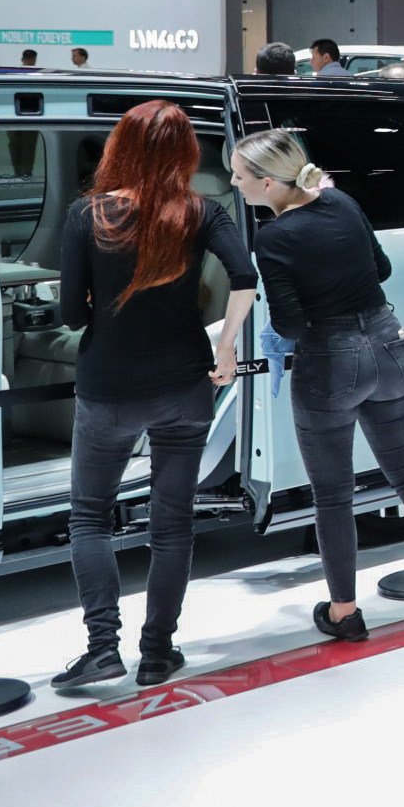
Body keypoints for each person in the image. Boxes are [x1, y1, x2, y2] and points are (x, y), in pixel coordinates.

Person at [230, 129, 404, 639]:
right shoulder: (341, 200)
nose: (234, 183)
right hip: (388, 343)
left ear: (269, 183)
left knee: (333, 494)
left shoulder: (272, 238)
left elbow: (290, 325)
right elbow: (381, 268)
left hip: (330, 362)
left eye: (240, 175)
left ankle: (344, 612)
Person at [52, 101, 258, 692]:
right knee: (172, 524)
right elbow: (244, 275)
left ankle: (101, 649)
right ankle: (157, 652)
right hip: (185, 385)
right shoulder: (200, 210)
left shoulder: (88, 215)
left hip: (108, 387)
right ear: (185, 152)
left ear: (121, 146)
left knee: (90, 515)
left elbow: (69, 312)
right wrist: (226, 350)